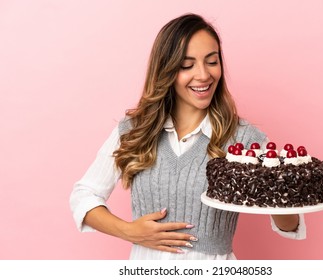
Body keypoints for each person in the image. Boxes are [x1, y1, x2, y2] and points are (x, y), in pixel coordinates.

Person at [70, 13, 306, 260]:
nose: (203, 75)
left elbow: (289, 225)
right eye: (187, 65)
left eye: (212, 61)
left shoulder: (246, 141)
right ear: (166, 69)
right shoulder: (134, 131)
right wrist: (130, 232)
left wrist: (280, 188)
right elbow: (83, 196)